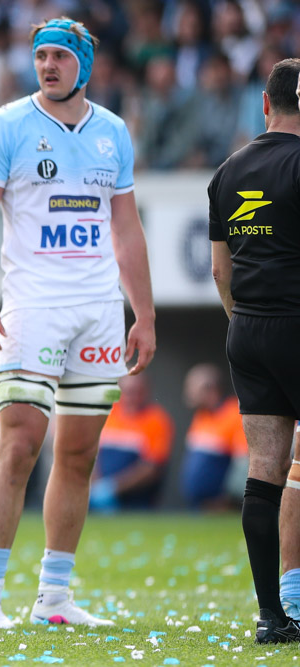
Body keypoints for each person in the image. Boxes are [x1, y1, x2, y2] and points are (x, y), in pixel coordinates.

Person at [0, 16, 156, 629]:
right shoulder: (8, 125)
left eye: (60, 57)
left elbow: (126, 230)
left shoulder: (114, 132)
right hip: (33, 308)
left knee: (79, 456)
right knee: (18, 445)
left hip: (97, 311)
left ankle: (55, 597)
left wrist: (142, 314)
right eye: (40, 54)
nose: (48, 64)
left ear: (84, 66)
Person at [208, 56, 300, 644]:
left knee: (265, 473)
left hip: (248, 329)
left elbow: (221, 271)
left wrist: (244, 322)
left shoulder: (228, 171)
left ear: (264, 105)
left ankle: (274, 614)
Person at [90, 373, 173, 511]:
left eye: (138, 391)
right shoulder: (109, 413)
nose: (133, 397)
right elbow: (93, 451)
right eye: (128, 392)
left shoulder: (157, 420)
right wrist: (96, 484)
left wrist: (114, 487)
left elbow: (152, 467)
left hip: (137, 501)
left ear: (147, 391)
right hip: (100, 498)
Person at [179, 362, 247, 510]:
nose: (187, 392)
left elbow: (243, 463)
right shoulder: (201, 415)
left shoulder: (234, 412)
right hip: (198, 505)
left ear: (209, 388)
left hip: (221, 508)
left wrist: (229, 500)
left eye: (191, 387)